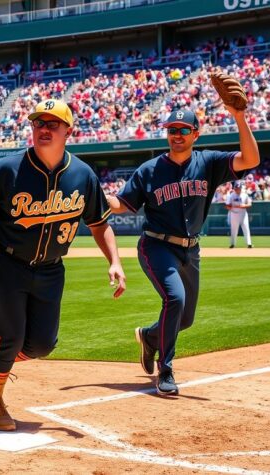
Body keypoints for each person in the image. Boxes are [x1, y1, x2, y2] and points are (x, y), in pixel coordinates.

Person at [0, 100, 126, 431]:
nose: (44, 129)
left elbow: (100, 223)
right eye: (38, 124)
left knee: (42, 344)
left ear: (68, 130)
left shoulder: (82, 174)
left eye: (52, 124)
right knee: (10, 337)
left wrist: (115, 262)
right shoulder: (9, 168)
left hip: (51, 268)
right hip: (7, 263)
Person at [106, 107, 259, 395]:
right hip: (156, 245)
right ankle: (165, 369)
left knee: (185, 319)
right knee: (174, 299)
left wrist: (239, 116)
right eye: (172, 130)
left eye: (183, 130)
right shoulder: (149, 170)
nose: (176, 135)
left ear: (196, 134)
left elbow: (251, 159)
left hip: (191, 251)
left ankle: (150, 337)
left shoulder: (210, 162)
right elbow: (122, 204)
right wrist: (97, 198)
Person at [225, 181, 252, 248]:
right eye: (236, 188)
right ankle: (232, 244)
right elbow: (227, 206)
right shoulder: (231, 195)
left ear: (241, 188)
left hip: (243, 213)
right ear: (234, 188)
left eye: (238, 188)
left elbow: (249, 204)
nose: (237, 189)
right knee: (234, 230)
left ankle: (249, 244)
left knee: (246, 228)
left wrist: (242, 206)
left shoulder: (245, 195)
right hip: (234, 214)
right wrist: (230, 207)